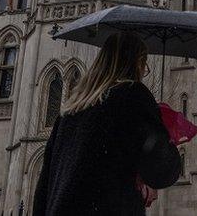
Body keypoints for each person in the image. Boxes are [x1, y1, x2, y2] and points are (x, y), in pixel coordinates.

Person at [32, 32, 183, 215]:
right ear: (136, 63)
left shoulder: (69, 113)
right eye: (144, 66)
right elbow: (161, 171)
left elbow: (43, 189)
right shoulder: (132, 96)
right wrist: (167, 141)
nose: (144, 72)